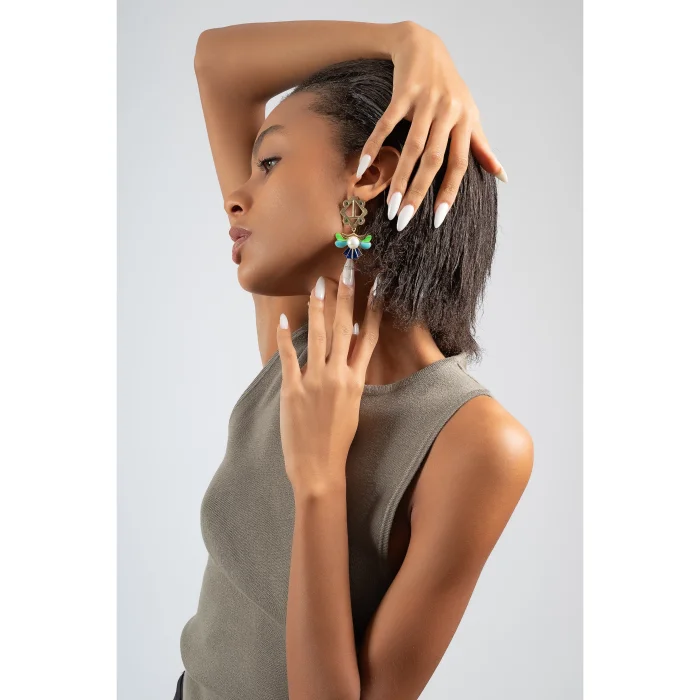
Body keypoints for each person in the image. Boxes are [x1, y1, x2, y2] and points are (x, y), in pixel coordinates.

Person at [175, 19, 533, 700]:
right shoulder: (298, 342)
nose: (235, 196)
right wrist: (406, 41)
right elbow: (217, 64)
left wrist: (318, 479)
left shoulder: (477, 444)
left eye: (270, 163)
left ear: (369, 175)